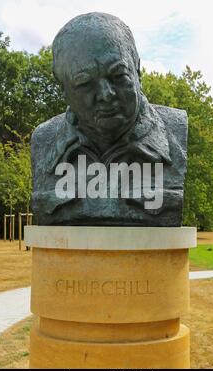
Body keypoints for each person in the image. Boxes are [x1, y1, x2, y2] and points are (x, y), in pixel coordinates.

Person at [31, 12, 188, 226]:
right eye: (85, 83)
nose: (106, 94)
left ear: (137, 70)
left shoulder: (175, 134)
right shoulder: (44, 141)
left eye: (118, 76)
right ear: (64, 90)